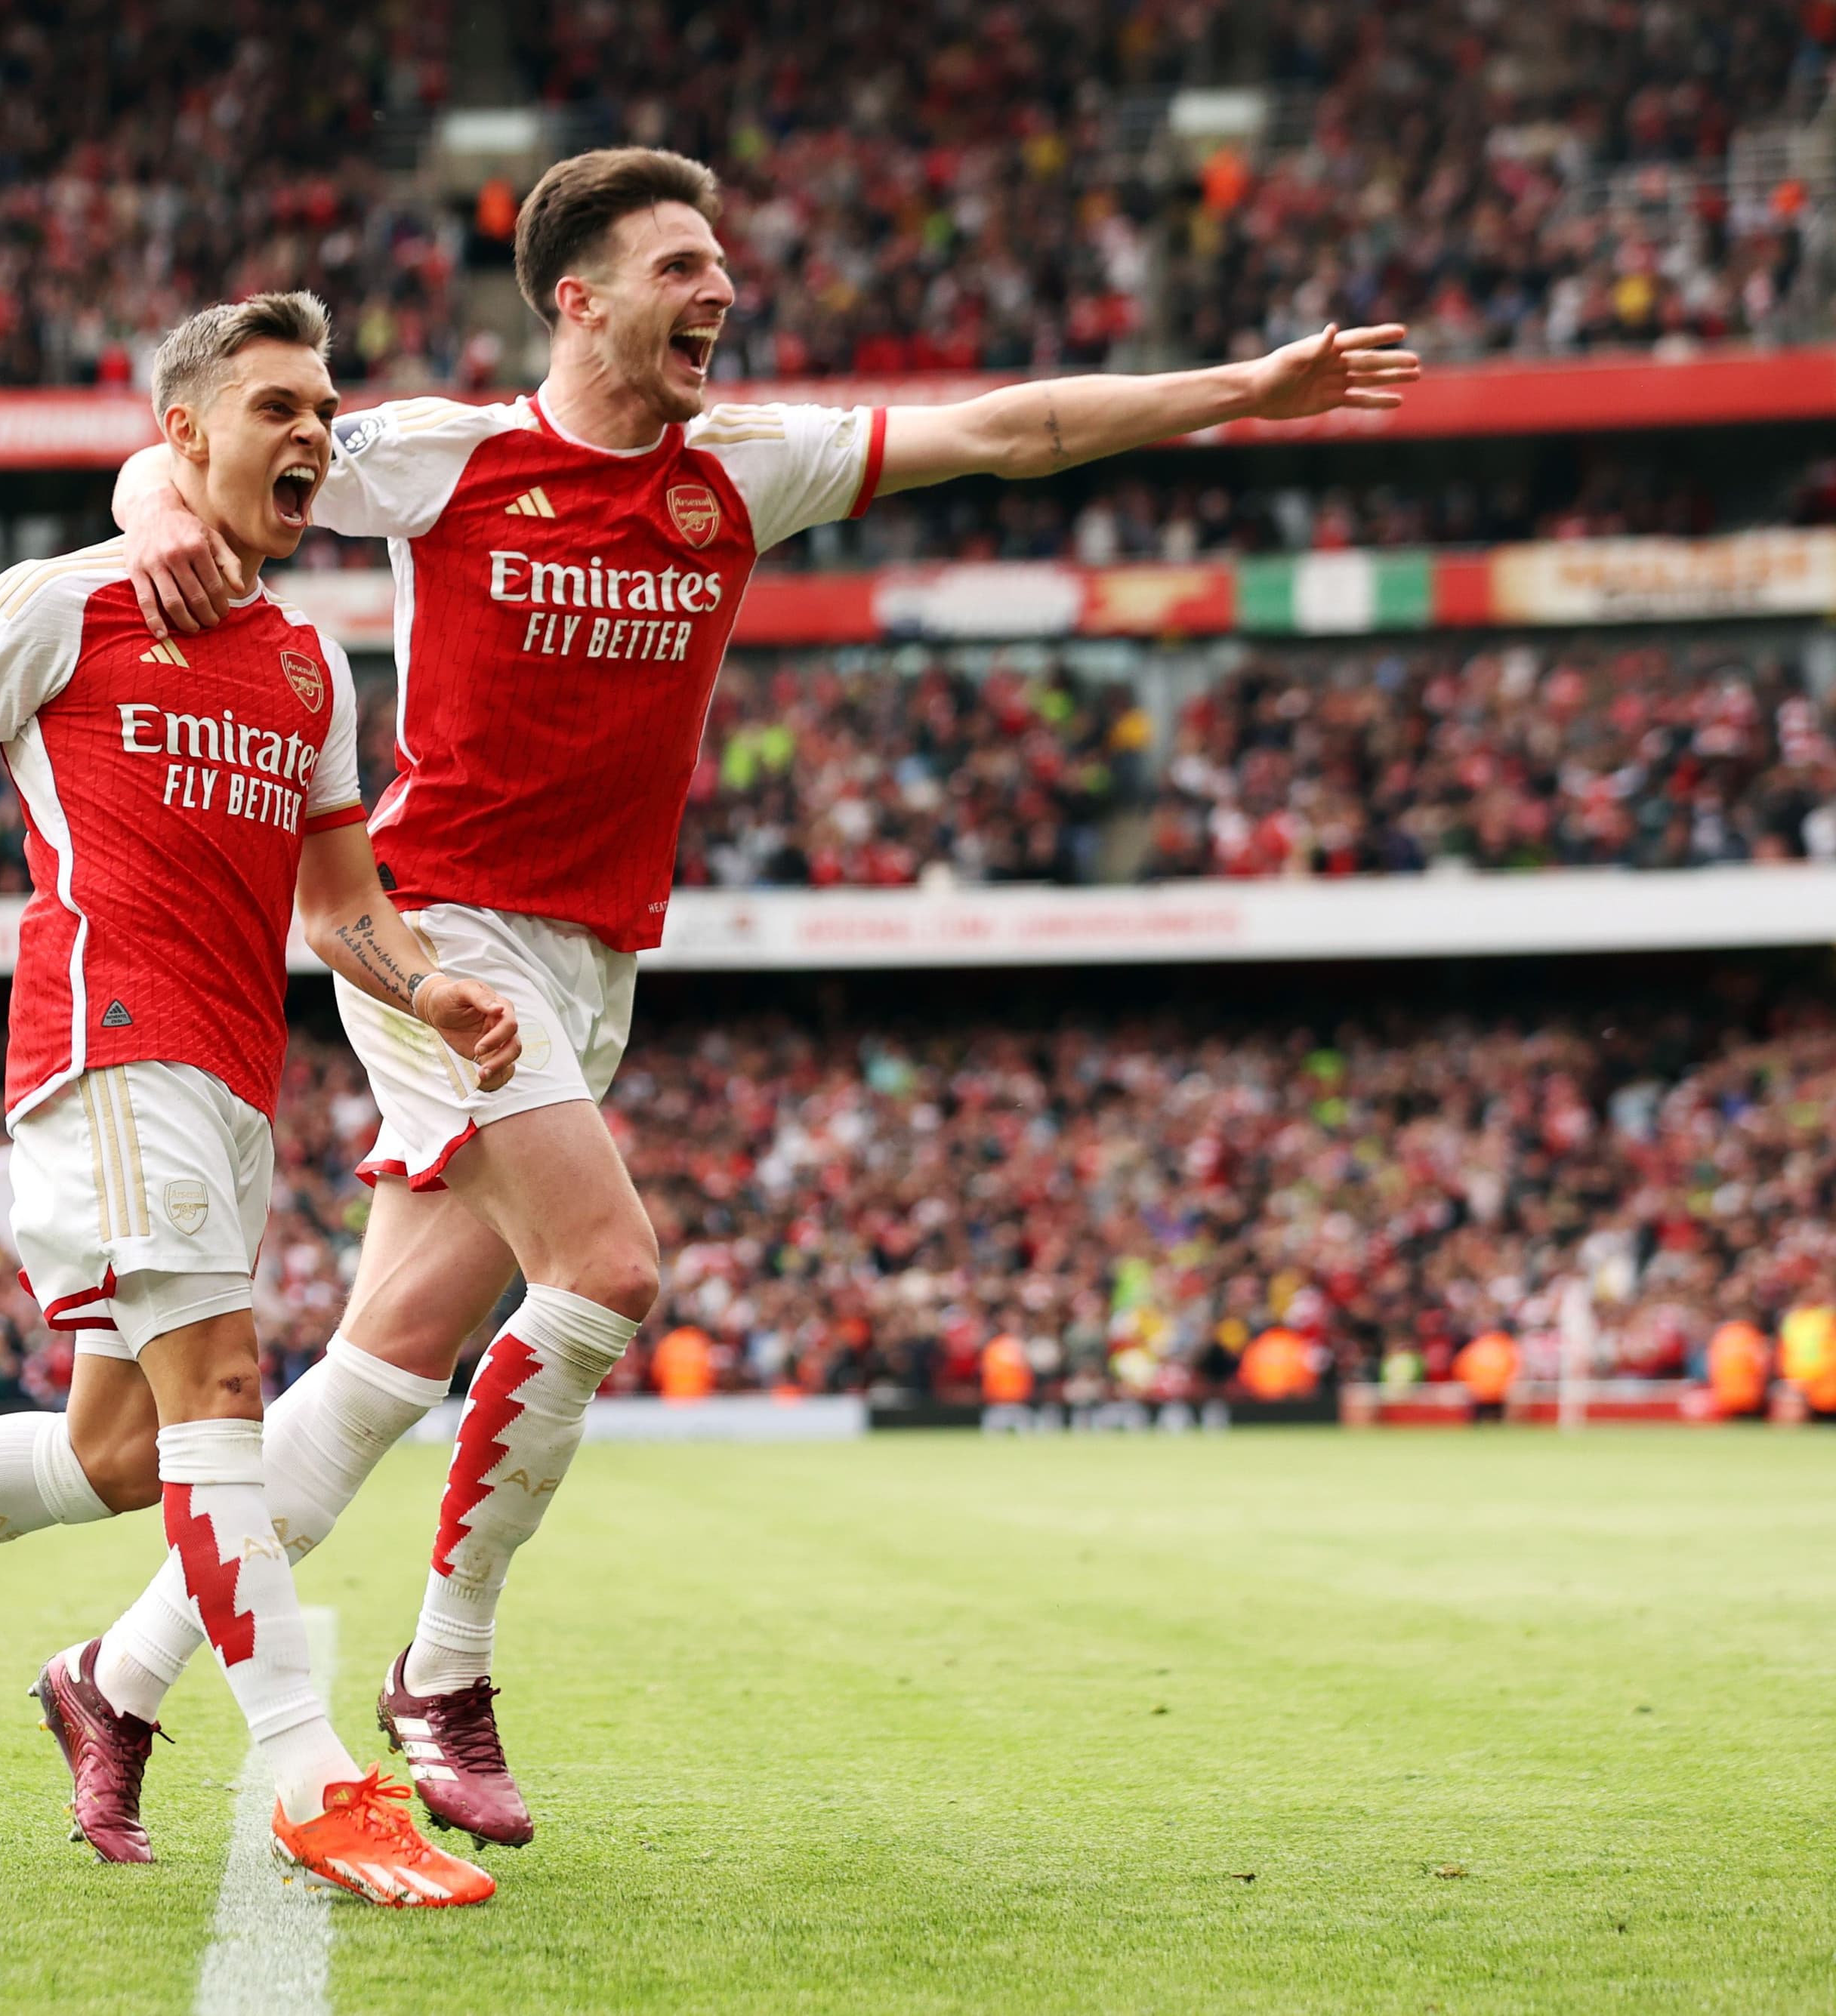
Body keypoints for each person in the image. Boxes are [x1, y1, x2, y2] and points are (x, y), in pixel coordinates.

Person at [94, 144, 1423, 1849]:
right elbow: (182, 458)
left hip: (592, 962)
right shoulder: (448, 459)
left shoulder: (749, 465)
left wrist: (1248, 389)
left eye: (723, 267)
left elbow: (1012, 431)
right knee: (611, 1267)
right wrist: (154, 526)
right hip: (439, 934)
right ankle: (445, 1670)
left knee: (381, 1370)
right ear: (577, 299)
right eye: (680, 269)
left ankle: (113, 1678)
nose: (720, 291)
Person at [0, 291, 523, 1909]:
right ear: (183, 434)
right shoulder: (60, 606)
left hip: (229, 1074)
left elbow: (340, 900)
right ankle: (312, 1780)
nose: (313, 432)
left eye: (324, 405)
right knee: (221, 1391)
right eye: (276, 404)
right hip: (106, 1040)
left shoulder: (310, 669)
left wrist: (429, 987)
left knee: (127, 1451)